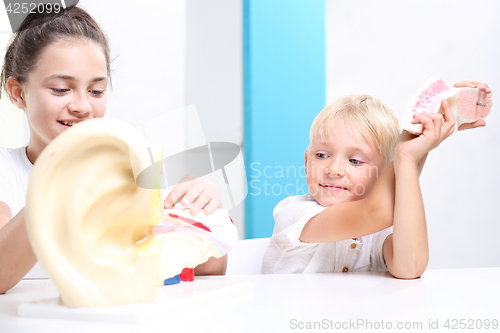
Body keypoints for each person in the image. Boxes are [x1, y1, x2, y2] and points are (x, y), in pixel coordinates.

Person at [0, 6, 224, 294]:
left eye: (96, 91)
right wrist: (61, 181)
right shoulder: (6, 171)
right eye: (60, 89)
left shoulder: (131, 173)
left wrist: (197, 215)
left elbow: (210, 268)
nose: (82, 106)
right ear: (19, 93)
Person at [262, 87, 490, 278]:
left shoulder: (374, 236)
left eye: (355, 160)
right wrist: (408, 155)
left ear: (382, 174)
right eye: (321, 155)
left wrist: (419, 145)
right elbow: (378, 210)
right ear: (306, 160)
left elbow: (410, 267)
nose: (333, 169)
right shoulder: (294, 215)